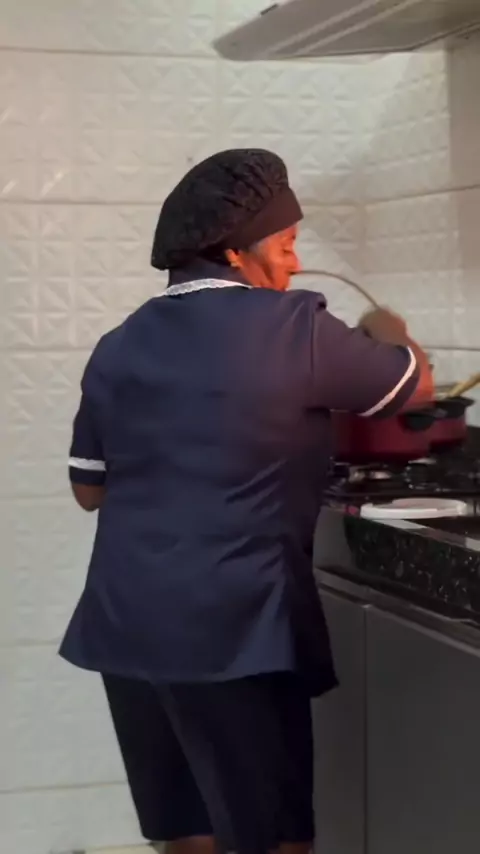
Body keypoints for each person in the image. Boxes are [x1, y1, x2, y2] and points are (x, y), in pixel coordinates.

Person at [60, 149, 432, 854]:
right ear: (236, 251)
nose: (295, 263)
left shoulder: (119, 342)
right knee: (272, 840)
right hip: (232, 630)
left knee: (188, 833)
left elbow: (89, 489)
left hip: (127, 621)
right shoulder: (293, 325)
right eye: (286, 245)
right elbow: (412, 386)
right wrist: (388, 328)